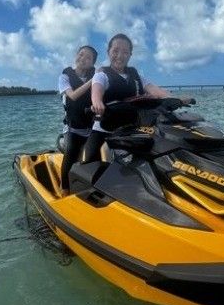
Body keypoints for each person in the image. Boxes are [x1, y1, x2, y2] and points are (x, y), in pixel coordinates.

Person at [82, 33, 190, 163]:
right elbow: (96, 90)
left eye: (125, 52)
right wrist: (97, 103)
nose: (120, 56)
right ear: (108, 51)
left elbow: (155, 90)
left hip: (132, 131)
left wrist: (176, 99)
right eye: (115, 51)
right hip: (104, 129)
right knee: (88, 164)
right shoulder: (102, 75)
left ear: (130, 55)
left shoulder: (135, 75)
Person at [58, 45, 98, 193]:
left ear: (92, 63)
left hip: (91, 128)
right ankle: (64, 190)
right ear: (76, 55)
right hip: (73, 128)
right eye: (81, 55)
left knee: (98, 157)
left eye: (88, 58)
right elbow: (73, 96)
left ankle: (95, 188)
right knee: (70, 153)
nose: (83, 59)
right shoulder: (65, 77)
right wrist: (93, 80)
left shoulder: (95, 77)